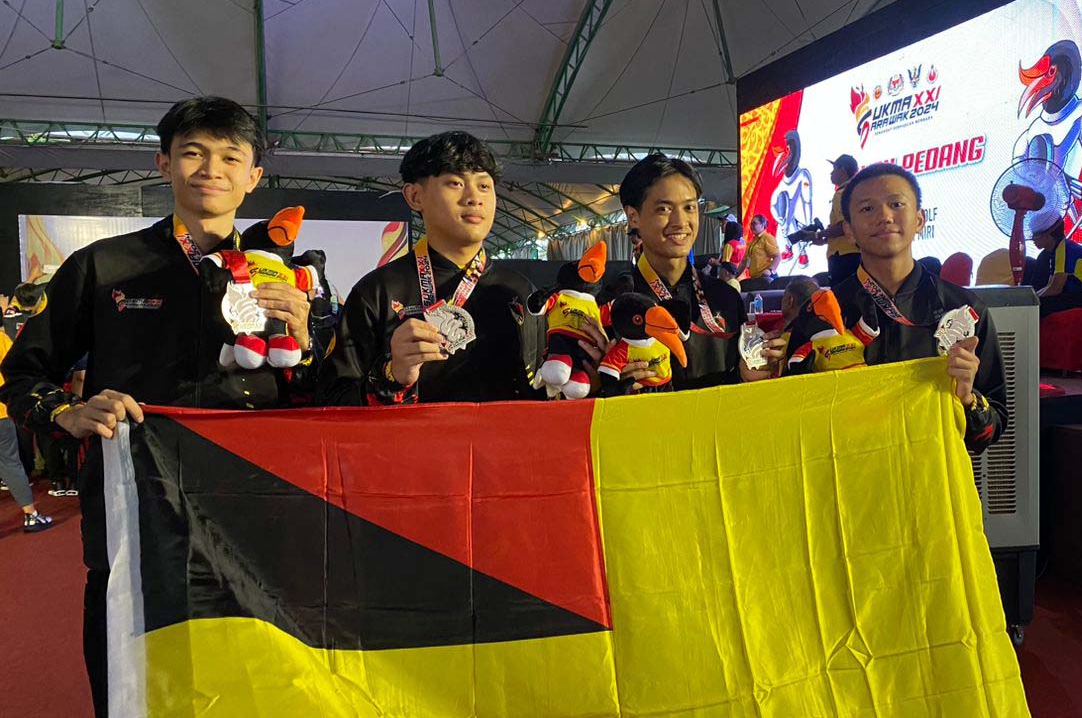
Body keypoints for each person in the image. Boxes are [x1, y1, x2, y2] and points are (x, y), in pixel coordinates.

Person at [0, 95, 316, 717]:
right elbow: (24, 370)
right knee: (132, 673)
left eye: (231, 157)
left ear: (254, 176)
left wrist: (304, 344)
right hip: (135, 507)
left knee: (254, 671)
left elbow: (315, 397)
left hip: (252, 506)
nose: (211, 169)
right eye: (193, 153)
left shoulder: (283, 275)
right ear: (164, 163)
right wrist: (64, 411)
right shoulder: (103, 266)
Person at [317, 131, 604, 405]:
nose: (474, 198)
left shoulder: (520, 291)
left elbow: (542, 394)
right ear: (415, 196)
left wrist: (590, 382)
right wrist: (391, 375)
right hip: (414, 442)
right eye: (455, 183)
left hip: (503, 440)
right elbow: (331, 402)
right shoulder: (378, 292)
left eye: (484, 186)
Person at [780, 163, 1007, 453]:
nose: (884, 216)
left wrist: (967, 399)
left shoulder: (964, 310)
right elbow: (793, 418)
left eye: (896, 204)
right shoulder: (821, 313)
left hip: (929, 474)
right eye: (867, 209)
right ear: (849, 230)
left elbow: (991, 431)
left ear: (919, 220)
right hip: (849, 473)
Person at [617, 154, 760, 390]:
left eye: (689, 207)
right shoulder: (613, 305)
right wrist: (606, 388)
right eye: (664, 209)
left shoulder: (725, 298)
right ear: (633, 216)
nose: (681, 221)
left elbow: (740, 383)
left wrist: (747, 375)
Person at [0, 329, 53, 532]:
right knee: (10, 464)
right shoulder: (1, 339)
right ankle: (31, 515)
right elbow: (13, 371)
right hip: (1, 414)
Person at [1023, 218, 1082, 317]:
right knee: (1038, 303)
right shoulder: (1055, 251)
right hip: (1077, 295)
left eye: (1036, 235)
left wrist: (1031, 301)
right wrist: (1031, 299)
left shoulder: (1067, 250)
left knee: (1042, 306)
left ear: (1047, 236)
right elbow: (1050, 285)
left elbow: (1055, 289)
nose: (1033, 239)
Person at [805, 154, 861, 285]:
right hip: (855, 254)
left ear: (842, 170)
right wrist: (826, 239)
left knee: (843, 296)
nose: (831, 173)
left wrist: (817, 234)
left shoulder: (842, 193)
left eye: (834, 169)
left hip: (845, 257)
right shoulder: (857, 191)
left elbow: (844, 227)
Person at [743, 214, 781, 282]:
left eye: (754, 224)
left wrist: (770, 270)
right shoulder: (752, 241)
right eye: (751, 224)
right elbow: (744, 261)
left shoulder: (767, 238)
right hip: (755, 279)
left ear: (762, 225)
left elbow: (777, 257)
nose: (751, 226)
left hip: (767, 278)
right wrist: (735, 275)